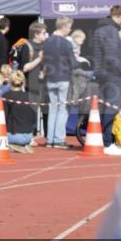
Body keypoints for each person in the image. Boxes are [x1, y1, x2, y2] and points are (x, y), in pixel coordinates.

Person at [91, 4, 121, 156]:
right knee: (111, 108)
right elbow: (111, 55)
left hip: (101, 73)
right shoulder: (111, 31)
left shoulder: (99, 29)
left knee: (104, 107)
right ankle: (107, 143)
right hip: (111, 74)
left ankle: (103, 141)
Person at [43, 16, 78, 148]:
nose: (70, 30)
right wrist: (78, 61)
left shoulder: (47, 42)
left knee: (52, 109)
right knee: (62, 109)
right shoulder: (66, 43)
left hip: (50, 78)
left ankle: (50, 139)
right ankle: (58, 139)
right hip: (63, 78)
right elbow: (73, 63)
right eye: (69, 27)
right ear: (63, 27)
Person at [17, 22, 49, 138]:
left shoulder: (46, 46)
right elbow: (25, 67)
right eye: (44, 33)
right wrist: (39, 59)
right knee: (32, 110)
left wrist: (44, 71)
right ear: (36, 34)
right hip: (31, 83)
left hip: (45, 83)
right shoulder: (27, 46)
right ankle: (30, 135)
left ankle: (47, 135)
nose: (46, 36)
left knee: (47, 110)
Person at [5, 71, 36, 153]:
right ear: (23, 82)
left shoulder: (6, 96)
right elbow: (34, 119)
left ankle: (14, 146)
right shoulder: (29, 96)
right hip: (28, 136)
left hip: (13, 135)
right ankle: (21, 145)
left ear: (11, 81)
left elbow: (2, 118)